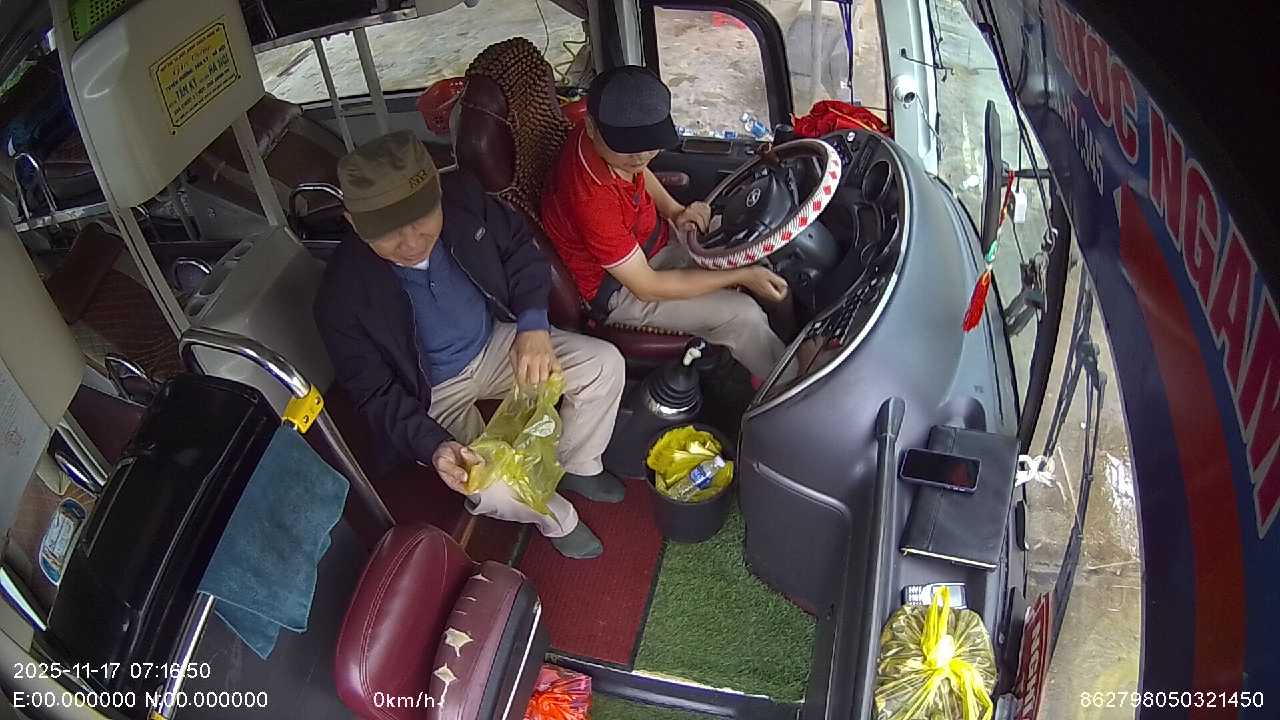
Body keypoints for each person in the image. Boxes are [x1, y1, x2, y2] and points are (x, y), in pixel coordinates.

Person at [314, 131, 626, 559]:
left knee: (604, 364)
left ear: (437, 192)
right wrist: (433, 445)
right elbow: (374, 393)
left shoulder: (464, 197)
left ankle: (578, 464)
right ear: (353, 223)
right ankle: (557, 518)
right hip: (430, 389)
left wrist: (532, 326)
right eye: (387, 233)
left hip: (496, 341)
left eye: (420, 220)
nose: (410, 243)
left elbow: (520, 251)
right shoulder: (339, 296)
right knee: (481, 482)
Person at [540, 65, 789, 379]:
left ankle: (787, 340)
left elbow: (637, 167)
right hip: (623, 288)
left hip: (653, 242)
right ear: (590, 127)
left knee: (747, 238)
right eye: (628, 146)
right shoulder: (589, 198)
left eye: (650, 143)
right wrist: (742, 276)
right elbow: (647, 286)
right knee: (743, 315)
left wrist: (674, 211)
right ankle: (790, 387)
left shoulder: (606, 140)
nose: (641, 156)